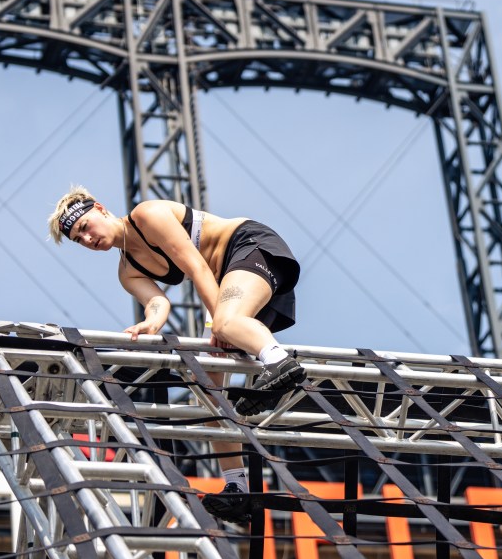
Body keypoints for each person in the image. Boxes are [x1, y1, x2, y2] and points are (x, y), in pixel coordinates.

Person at [47, 186, 307, 521]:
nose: (87, 239)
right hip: (227, 283)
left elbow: (196, 266)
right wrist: (150, 323)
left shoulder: (146, 214)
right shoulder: (127, 271)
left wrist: (219, 325)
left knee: (227, 323)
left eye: (84, 227)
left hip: (249, 249)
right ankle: (237, 489)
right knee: (208, 390)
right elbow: (158, 302)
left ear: (99, 209)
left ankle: (278, 361)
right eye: (78, 240)